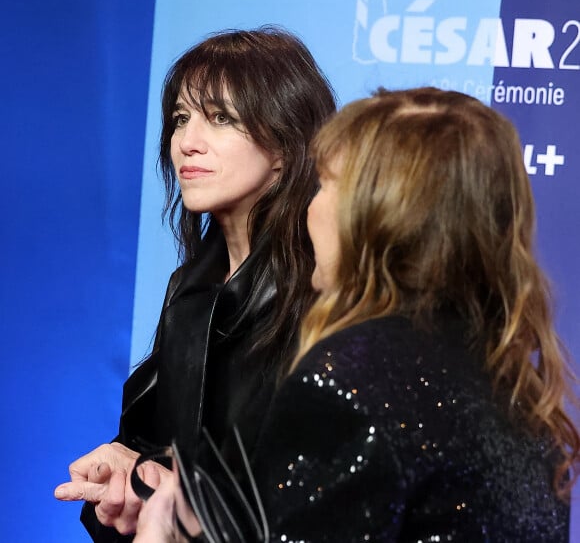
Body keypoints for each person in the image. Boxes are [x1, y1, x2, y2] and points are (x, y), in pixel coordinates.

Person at [133, 87, 579, 542]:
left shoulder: (349, 379)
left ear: (378, 215)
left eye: (325, 184)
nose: (310, 206)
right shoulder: (517, 384)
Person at [54, 26, 336, 541]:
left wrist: (187, 504)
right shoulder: (189, 292)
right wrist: (127, 479)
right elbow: (154, 463)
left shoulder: (325, 294)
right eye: (181, 118)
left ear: (284, 142)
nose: (187, 141)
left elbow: (335, 501)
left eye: (221, 118)